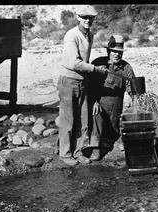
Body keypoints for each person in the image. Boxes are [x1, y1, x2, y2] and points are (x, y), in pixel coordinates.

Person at [57, 5, 108, 166]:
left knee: (83, 120)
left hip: (82, 82)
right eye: (84, 17)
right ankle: (65, 154)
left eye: (90, 18)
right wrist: (96, 70)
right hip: (69, 81)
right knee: (68, 120)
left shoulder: (89, 35)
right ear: (78, 17)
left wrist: (91, 72)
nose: (87, 20)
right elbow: (75, 63)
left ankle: (78, 152)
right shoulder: (71, 35)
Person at [88, 35, 135, 161]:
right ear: (108, 51)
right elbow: (88, 86)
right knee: (95, 114)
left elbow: (132, 88)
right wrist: (93, 101)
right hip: (98, 106)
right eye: (114, 51)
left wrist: (138, 99)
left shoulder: (126, 68)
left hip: (115, 111)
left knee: (111, 134)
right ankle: (95, 147)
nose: (116, 55)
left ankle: (107, 139)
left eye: (119, 52)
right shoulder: (97, 63)